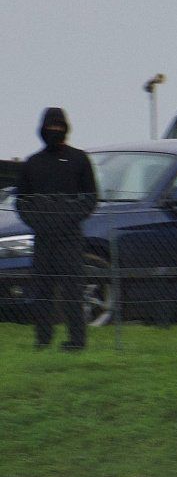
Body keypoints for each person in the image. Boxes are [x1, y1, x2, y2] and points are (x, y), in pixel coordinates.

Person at [16, 108, 97, 350]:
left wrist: (67, 217)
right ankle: (42, 340)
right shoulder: (32, 163)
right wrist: (40, 221)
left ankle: (76, 341)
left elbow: (91, 198)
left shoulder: (79, 159)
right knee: (42, 292)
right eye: (51, 127)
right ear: (42, 129)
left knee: (72, 291)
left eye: (59, 127)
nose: (55, 131)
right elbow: (21, 202)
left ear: (66, 128)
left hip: (71, 238)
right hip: (43, 239)